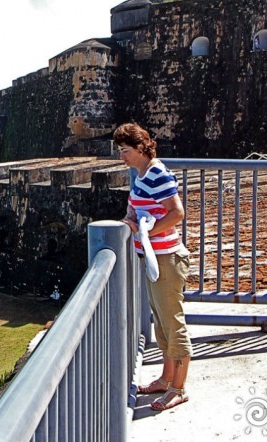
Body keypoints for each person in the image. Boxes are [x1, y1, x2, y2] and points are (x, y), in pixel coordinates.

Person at [113, 122, 192, 411]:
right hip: (155, 259)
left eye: (124, 151)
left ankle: (178, 388)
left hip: (167, 259)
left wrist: (147, 232)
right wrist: (132, 218)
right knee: (161, 322)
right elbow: (144, 208)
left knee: (173, 323)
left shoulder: (156, 173)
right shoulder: (142, 174)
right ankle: (166, 378)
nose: (121, 156)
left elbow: (177, 213)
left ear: (140, 148)